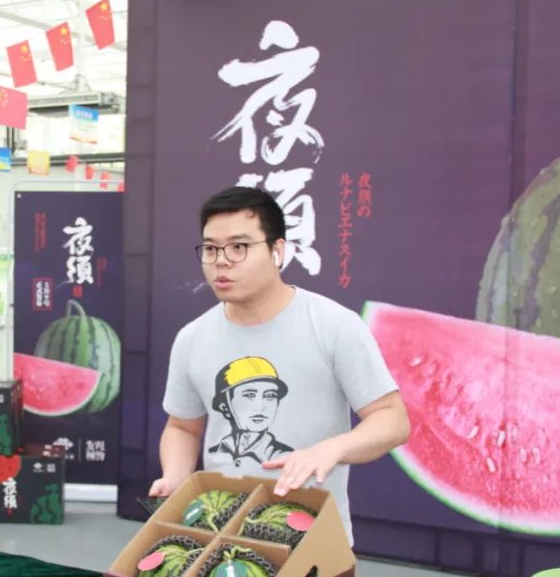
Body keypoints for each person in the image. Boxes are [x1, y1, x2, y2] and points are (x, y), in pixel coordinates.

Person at [149, 186, 410, 543]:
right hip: (221, 542)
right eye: (210, 249)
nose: (221, 261)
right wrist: (175, 477)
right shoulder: (192, 338)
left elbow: (392, 419)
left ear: (278, 250)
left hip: (314, 543)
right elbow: (183, 427)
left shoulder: (333, 325)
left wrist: (331, 449)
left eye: (239, 247)